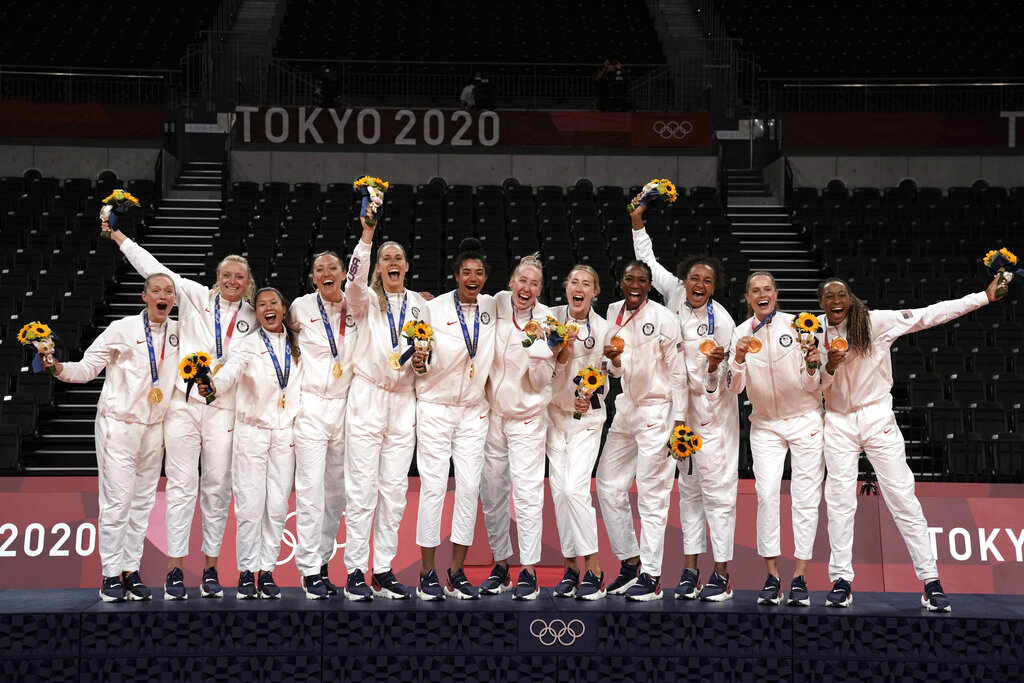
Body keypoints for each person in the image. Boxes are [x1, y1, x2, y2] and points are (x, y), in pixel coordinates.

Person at [815, 275, 1006, 612]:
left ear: (850, 298)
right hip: (838, 421)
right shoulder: (811, 331)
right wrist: (826, 367)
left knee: (903, 498)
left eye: (841, 293)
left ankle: (931, 580)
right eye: (828, 295)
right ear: (821, 304)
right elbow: (810, 381)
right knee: (840, 502)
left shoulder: (876, 322)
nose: (835, 299)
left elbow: (931, 314)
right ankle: (841, 581)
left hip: (877, 418)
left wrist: (984, 298)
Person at [108, 221, 256, 600]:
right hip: (182, 407)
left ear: (247, 281)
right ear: (217, 277)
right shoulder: (192, 295)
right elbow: (152, 267)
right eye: (226, 274)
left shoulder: (252, 318)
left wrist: (215, 385)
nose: (232, 281)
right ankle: (174, 569)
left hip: (222, 408)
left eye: (239, 277)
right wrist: (120, 238)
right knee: (180, 487)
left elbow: (238, 363)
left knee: (218, 489)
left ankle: (210, 569)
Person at [41, 275, 178, 601]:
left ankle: (131, 571)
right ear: (144, 296)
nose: (162, 296)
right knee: (117, 502)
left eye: (168, 291)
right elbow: (88, 368)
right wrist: (56, 367)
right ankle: (110, 575)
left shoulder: (180, 333)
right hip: (119, 425)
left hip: (154, 429)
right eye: (156, 291)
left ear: (174, 298)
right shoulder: (122, 328)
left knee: (143, 504)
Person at [630, 200, 740, 602]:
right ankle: (691, 571)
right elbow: (647, 259)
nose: (699, 284)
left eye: (707, 281)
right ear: (684, 280)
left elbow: (730, 382)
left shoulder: (724, 321)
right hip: (679, 415)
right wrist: (637, 220)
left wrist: (714, 371)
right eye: (694, 277)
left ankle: (723, 574)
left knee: (718, 495)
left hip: (714, 417)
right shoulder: (673, 292)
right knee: (688, 492)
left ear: (714, 287)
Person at [726, 272, 826, 606]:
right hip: (765, 425)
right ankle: (772, 576)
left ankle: (800, 577)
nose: (762, 294)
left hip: (805, 420)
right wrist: (738, 359)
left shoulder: (798, 326)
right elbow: (734, 388)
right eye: (755, 290)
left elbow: (813, 385)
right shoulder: (739, 333)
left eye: (767, 289)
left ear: (776, 293)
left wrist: (813, 369)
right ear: (748, 297)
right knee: (767, 495)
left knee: (805, 498)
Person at [340, 217, 426, 600]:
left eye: (398, 258)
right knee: (361, 491)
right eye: (386, 257)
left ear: (407, 267)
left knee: (394, 491)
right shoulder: (366, 301)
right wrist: (368, 237)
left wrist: (425, 363)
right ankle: (355, 570)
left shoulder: (423, 306)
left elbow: (430, 354)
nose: (392, 262)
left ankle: (383, 568)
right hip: (368, 397)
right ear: (379, 266)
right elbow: (353, 282)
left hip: (404, 401)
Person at [198, 287, 301, 599]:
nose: (267, 308)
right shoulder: (247, 344)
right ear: (256, 313)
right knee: (249, 505)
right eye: (261, 305)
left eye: (273, 303)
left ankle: (267, 571)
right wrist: (213, 384)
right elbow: (231, 371)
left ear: (284, 308)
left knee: (278, 505)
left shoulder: (299, 344)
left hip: (285, 433)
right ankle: (246, 572)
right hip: (252, 432)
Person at [595, 260, 689, 601]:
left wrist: (679, 423)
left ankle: (651, 574)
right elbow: (615, 372)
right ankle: (630, 561)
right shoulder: (612, 312)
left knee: (652, 495)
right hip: (626, 408)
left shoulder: (665, 318)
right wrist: (614, 362)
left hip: (658, 411)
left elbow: (678, 374)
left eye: (642, 281)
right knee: (607, 484)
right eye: (630, 279)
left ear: (649, 286)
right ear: (620, 282)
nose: (635, 285)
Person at [412, 238, 498, 600]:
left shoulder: (494, 307)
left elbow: (531, 307)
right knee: (433, 488)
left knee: (468, 489)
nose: (473, 278)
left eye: (479, 273)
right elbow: (420, 352)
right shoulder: (433, 309)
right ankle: (426, 573)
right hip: (435, 407)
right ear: (456, 275)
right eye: (466, 272)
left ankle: (457, 572)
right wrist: (420, 363)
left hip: (474, 411)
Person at [478, 254, 557, 600]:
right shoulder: (494, 303)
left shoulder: (548, 320)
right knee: (492, 496)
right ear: (511, 282)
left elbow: (541, 382)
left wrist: (541, 355)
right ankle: (500, 565)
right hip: (493, 415)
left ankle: (528, 571)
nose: (527, 288)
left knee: (526, 496)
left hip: (527, 417)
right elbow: (457, 302)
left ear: (540, 289)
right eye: (522, 281)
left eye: (534, 283)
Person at [287, 249, 358, 598]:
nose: (326, 273)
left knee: (337, 495)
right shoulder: (300, 307)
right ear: (312, 277)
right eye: (319, 269)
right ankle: (309, 569)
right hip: (312, 406)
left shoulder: (359, 306)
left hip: (346, 408)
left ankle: (324, 561)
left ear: (343, 273)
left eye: (332, 267)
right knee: (311, 491)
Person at [545, 265, 612, 600]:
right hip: (553, 417)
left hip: (587, 421)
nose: (580, 287)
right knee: (559, 495)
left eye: (587, 283)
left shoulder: (603, 329)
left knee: (574, 490)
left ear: (595, 292)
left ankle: (595, 569)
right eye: (574, 281)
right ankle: (571, 569)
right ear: (566, 287)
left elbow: (608, 375)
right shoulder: (550, 318)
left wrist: (592, 396)